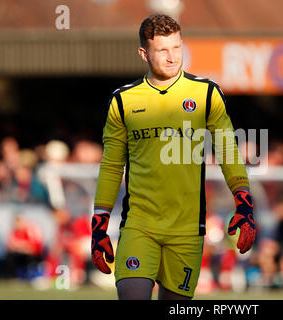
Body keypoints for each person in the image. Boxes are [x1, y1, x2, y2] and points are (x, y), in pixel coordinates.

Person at [91, 14, 256, 300]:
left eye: (177, 48)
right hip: (139, 226)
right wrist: (99, 225)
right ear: (144, 53)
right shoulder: (123, 100)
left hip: (188, 230)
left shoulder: (206, 94)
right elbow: (111, 165)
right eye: (162, 50)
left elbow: (228, 150)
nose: (172, 57)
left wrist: (243, 203)